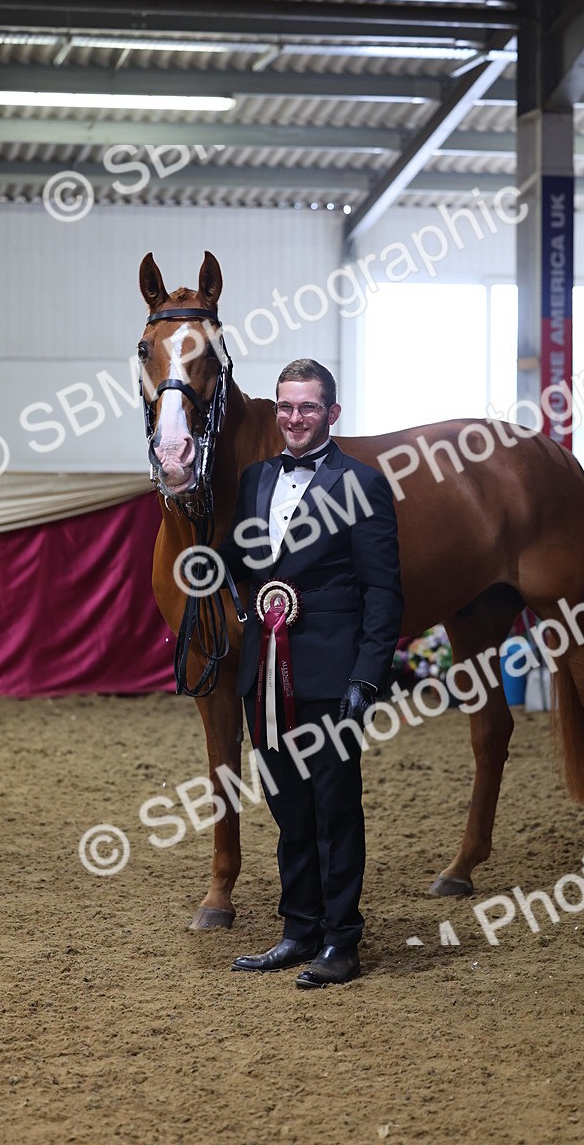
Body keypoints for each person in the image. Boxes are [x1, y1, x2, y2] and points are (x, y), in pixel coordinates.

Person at [219, 359, 403, 988]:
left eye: (308, 407)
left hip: (331, 679)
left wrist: (367, 678)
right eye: (286, 406)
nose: (294, 418)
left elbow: (383, 592)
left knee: (334, 810)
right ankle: (298, 930)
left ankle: (342, 940)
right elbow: (241, 563)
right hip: (265, 675)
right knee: (286, 808)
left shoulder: (364, 485)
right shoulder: (254, 481)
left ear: (332, 414)